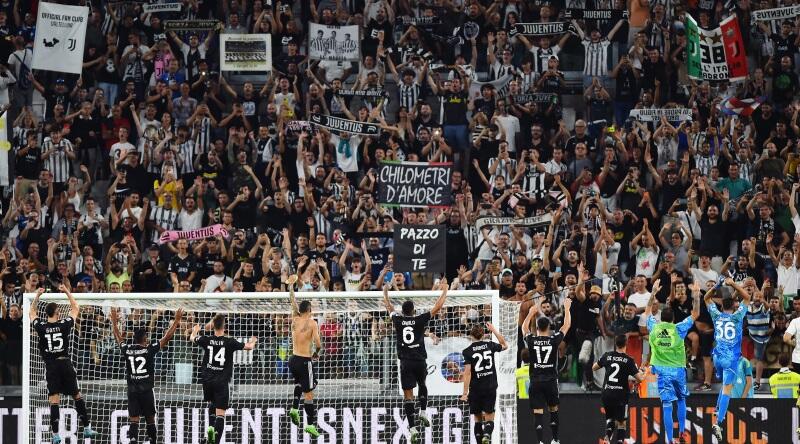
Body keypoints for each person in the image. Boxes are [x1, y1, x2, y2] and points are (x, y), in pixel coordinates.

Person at [383, 279, 451, 444]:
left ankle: (412, 428)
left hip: (405, 362)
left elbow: (389, 307)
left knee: (408, 396)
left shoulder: (398, 321)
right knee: (423, 384)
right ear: (413, 311)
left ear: (403, 311)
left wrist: (385, 291)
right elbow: (438, 307)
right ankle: (423, 411)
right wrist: (445, 290)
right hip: (420, 360)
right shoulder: (420, 319)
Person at [30, 285, 99, 443]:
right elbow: (75, 307)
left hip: (51, 367)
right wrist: (67, 291)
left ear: (46, 314)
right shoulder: (64, 324)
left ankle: (55, 436)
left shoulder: (41, 327)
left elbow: (31, 313)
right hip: (65, 364)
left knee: (54, 400)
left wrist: (37, 296)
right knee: (77, 395)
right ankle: (87, 427)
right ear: (58, 312)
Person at [110, 307, 184, 444]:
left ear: (134, 339)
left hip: (132, 391)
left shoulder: (127, 349)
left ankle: (133, 440)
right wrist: (177, 320)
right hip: (146, 391)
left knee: (134, 420)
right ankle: (152, 441)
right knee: (150, 419)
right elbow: (166, 337)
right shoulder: (148, 349)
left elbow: (118, 337)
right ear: (146, 338)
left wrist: (114, 321)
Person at [645, 279, 700, 444]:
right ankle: (682, 432)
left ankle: (670, 440)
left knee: (667, 405)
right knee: (681, 400)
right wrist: (696, 295)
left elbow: (647, 311)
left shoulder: (654, 328)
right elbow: (695, 314)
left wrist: (653, 292)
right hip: (677, 370)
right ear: (673, 318)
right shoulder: (678, 328)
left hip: (662, 371)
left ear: (661, 318)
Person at [190, 314, 257, 444]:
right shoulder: (230, 342)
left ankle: (209, 428)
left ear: (213, 326)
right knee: (220, 414)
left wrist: (195, 330)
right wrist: (254, 340)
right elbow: (249, 347)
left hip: (207, 381)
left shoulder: (206, 340)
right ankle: (215, 440)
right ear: (224, 326)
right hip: (221, 382)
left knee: (212, 404)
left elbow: (192, 337)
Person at [521, 296, 573, 444]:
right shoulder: (553, 340)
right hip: (551, 381)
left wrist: (532, 312)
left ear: (537, 329)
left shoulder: (531, 340)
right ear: (549, 328)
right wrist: (567, 309)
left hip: (535, 381)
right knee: (553, 409)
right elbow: (566, 326)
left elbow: (524, 328)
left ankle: (540, 442)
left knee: (538, 413)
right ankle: (555, 440)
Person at [706, 278, 751, 441]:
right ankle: (718, 422)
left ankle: (718, 408)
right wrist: (733, 284)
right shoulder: (738, 317)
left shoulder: (716, 315)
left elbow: (706, 298)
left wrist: (717, 286)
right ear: (734, 307)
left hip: (716, 357)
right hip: (731, 360)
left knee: (722, 381)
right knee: (727, 389)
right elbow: (747, 298)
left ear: (721, 306)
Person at [286, 274, 323, 438]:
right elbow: (319, 343)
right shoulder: (312, 322)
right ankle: (310, 425)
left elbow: (292, 301)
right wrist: (316, 353)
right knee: (310, 392)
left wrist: (290, 286)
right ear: (310, 310)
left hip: (292, 360)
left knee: (300, 383)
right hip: (304, 360)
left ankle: (294, 407)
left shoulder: (295, 319)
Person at [460, 322, 509, 444]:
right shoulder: (490, 345)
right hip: (490, 387)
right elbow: (504, 345)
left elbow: (467, 373)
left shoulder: (467, 351)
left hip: (476, 389)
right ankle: (487, 434)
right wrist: (494, 330)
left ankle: (481, 439)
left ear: (471, 335)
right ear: (483, 334)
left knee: (477, 419)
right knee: (489, 417)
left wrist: (465, 393)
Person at [592, 334, 645, 444]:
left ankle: (607, 438)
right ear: (626, 344)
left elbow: (594, 367)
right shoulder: (629, 360)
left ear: (615, 344)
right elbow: (639, 378)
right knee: (621, 423)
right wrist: (643, 372)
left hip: (607, 393)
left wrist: (604, 363)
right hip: (620, 395)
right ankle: (619, 441)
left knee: (610, 419)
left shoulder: (607, 356)